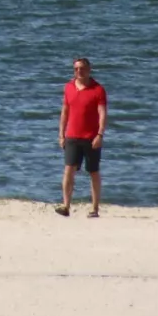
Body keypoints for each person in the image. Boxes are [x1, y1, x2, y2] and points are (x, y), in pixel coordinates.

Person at [57, 57, 107, 218]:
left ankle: (95, 208)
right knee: (68, 171)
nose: (79, 71)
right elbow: (64, 112)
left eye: (82, 68)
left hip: (91, 137)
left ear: (89, 69)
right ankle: (66, 206)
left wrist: (100, 134)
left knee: (93, 172)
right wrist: (61, 134)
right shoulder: (68, 87)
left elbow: (102, 114)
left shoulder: (98, 89)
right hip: (72, 136)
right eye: (76, 69)